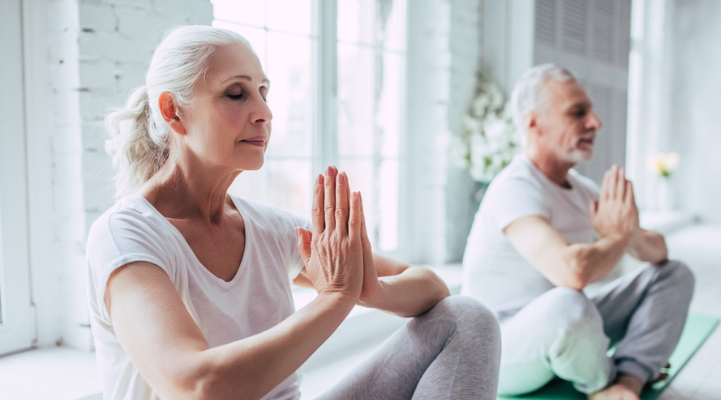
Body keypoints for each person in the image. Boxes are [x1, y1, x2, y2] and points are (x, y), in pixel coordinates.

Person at [86, 25, 500, 400]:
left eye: (264, 92)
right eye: (237, 93)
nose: (264, 113)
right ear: (173, 111)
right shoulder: (126, 236)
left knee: (465, 319)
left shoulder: (268, 228)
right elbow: (197, 386)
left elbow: (431, 286)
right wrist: (336, 297)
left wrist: (366, 287)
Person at [461, 64, 694, 400]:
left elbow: (659, 252)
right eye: (577, 112)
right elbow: (572, 272)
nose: (595, 122)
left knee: (674, 275)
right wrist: (618, 236)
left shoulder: (582, 190)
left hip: (565, 328)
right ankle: (603, 382)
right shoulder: (514, 186)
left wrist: (629, 232)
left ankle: (626, 382)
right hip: (498, 349)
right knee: (569, 303)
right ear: (532, 123)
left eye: (591, 112)